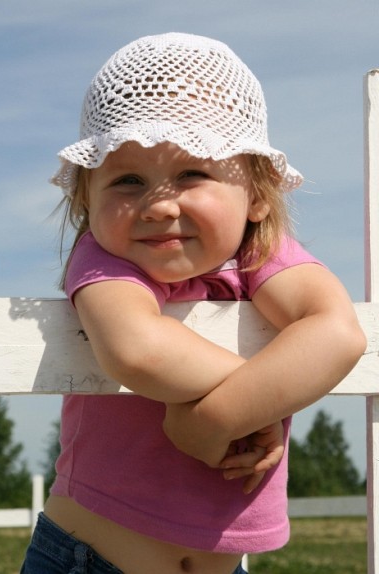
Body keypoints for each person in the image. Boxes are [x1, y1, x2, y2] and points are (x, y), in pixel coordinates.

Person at [20, 33, 366, 574]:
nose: (158, 206)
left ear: (256, 195)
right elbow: (137, 350)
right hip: (91, 560)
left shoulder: (260, 253)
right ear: (87, 196)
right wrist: (252, 407)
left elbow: (338, 333)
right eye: (127, 180)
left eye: (192, 174)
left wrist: (215, 418)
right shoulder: (106, 259)